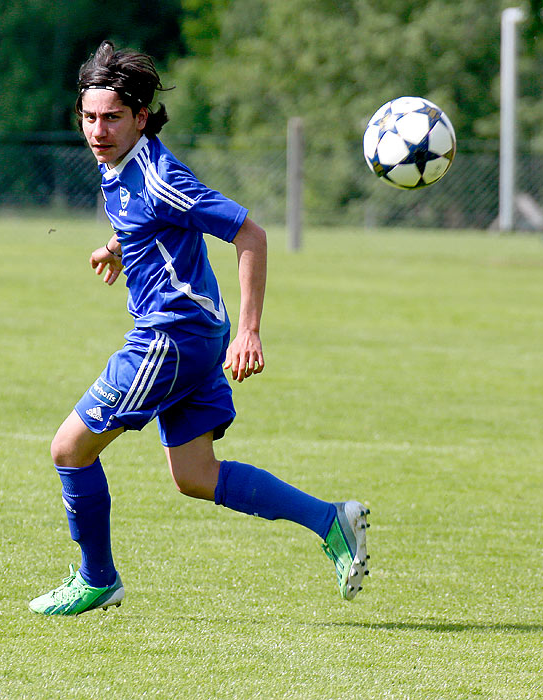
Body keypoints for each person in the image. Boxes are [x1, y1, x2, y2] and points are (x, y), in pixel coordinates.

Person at [29, 41, 370, 616]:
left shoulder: (162, 178)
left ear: (141, 116)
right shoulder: (118, 166)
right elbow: (146, 221)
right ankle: (330, 521)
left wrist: (251, 331)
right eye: (88, 117)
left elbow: (250, 236)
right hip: (192, 337)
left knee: (70, 449)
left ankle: (96, 577)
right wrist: (118, 247)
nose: (97, 130)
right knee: (194, 474)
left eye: (112, 117)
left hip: (169, 339)